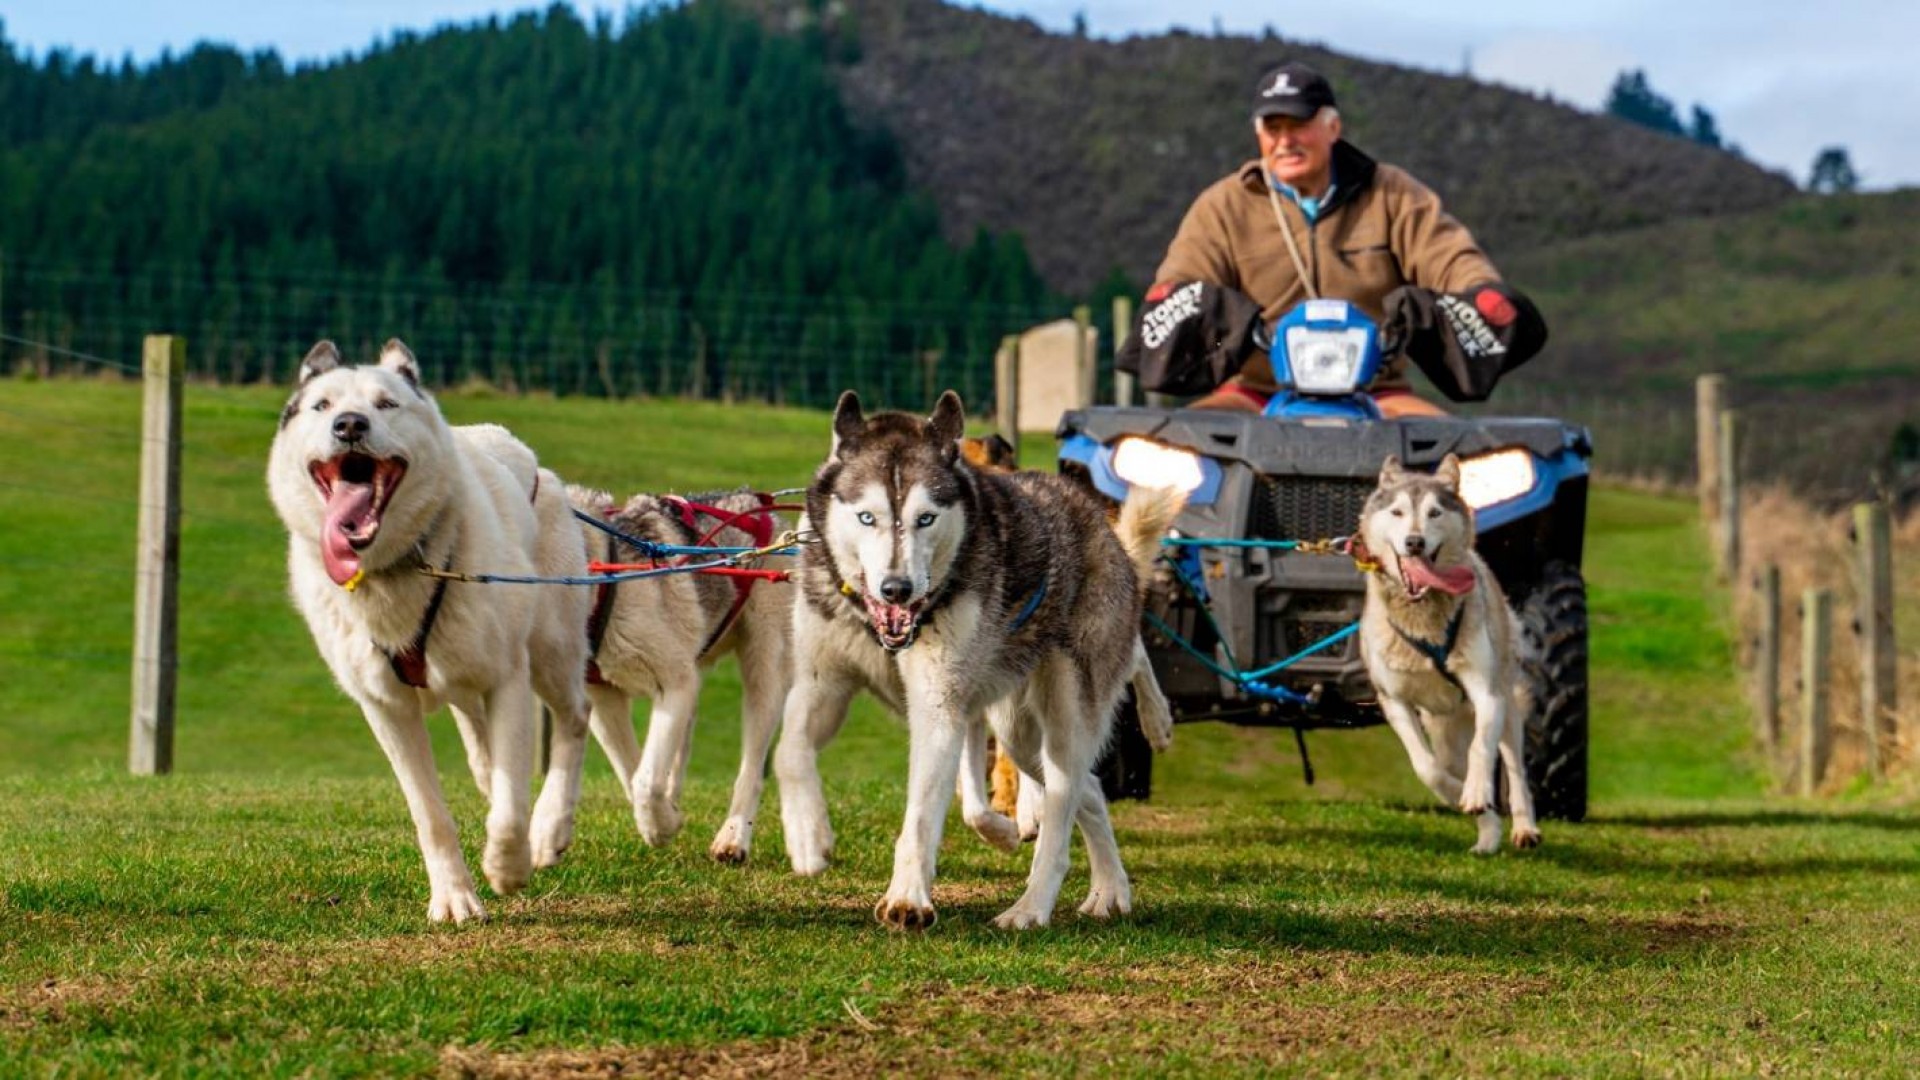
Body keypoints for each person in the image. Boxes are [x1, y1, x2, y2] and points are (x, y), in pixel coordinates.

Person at [1151, 61, 1531, 416]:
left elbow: (1451, 258)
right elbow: (1183, 279)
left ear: (1333, 128)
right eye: (1273, 128)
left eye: (1298, 125)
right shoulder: (1223, 206)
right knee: (1167, 455)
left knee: (1462, 464)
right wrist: (1198, 307)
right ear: (1258, 135)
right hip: (1255, 390)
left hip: (1378, 391)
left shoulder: (1393, 194)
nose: (1285, 141)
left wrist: (1479, 294)